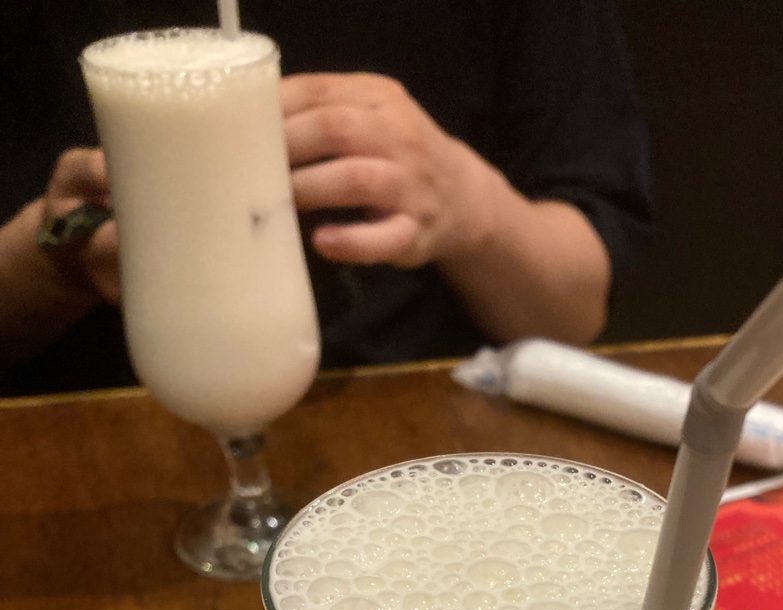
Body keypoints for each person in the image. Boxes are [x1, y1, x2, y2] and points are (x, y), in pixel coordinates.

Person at [0, 1, 651, 397]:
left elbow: (575, 311)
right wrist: (53, 256)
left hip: (434, 425)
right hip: (100, 426)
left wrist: (468, 206)